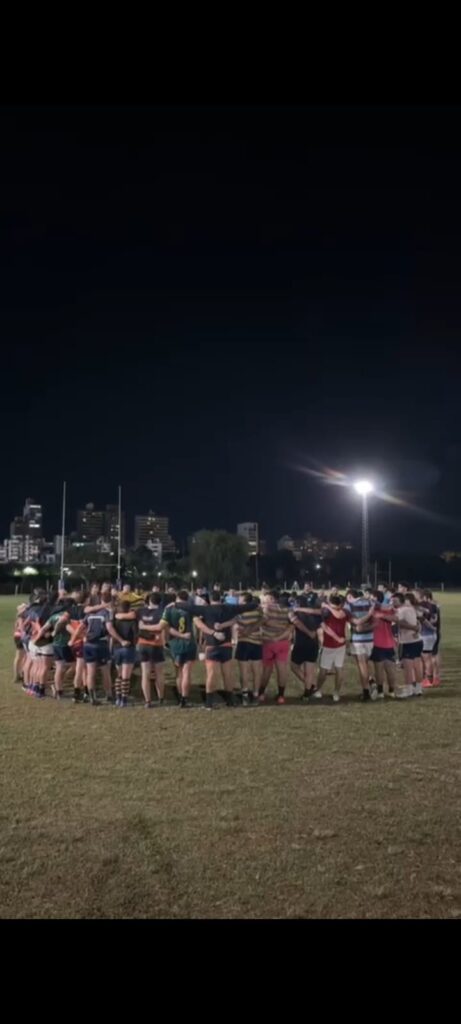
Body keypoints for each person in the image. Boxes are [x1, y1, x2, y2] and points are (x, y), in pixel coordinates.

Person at [193, 590, 237, 709]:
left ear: (210, 599)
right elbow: (235, 620)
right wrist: (223, 626)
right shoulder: (227, 608)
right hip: (226, 644)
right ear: (221, 599)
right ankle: (230, 701)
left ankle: (209, 703)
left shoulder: (206, 610)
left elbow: (198, 623)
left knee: (211, 674)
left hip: (212, 645)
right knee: (227, 674)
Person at [73, 595, 114, 705]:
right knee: (105, 671)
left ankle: (92, 697)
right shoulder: (107, 612)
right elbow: (109, 628)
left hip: (88, 645)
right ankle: (109, 695)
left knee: (90, 673)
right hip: (101, 644)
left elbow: (80, 627)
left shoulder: (89, 614)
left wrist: (74, 639)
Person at [161, 590, 197, 707]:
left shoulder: (169, 609)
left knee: (178, 672)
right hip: (189, 643)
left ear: (176, 598)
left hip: (175, 644)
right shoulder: (190, 609)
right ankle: (184, 699)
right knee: (186, 672)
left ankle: (180, 695)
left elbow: (167, 628)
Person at [259, 590, 293, 705]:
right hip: (283, 642)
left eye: (266, 599)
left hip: (269, 642)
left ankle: (261, 693)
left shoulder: (267, 609)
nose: (264, 601)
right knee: (282, 669)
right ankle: (281, 696)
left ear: (273, 599)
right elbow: (291, 626)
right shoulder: (286, 610)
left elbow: (261, 621)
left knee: (267, 669)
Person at [314, 595, 349, 702]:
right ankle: (332, 692)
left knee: (328, 670)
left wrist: (327, 606)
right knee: (333, 669)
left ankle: (321, 690)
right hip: (336, 645)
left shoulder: (329, 611)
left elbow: (334, 617)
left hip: (333, 645)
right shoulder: (342, 611)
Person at [344, 589, 377, 702]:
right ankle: (372, 680)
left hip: (358, 639)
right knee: (367, 663)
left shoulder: (349, 605)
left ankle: (366, 691)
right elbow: (376, 622)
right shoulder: (370, 603)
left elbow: (356, 623)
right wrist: (368, 621)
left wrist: (360, 626)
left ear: (349, 596)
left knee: (361, 666)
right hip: (370, 638)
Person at [136, 592, 166, 707]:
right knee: (159, 673)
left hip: (143, 645)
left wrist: (144, 627)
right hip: (156, 645)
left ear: (149, 601)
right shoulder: (162, 612)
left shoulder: (140, 611)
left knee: (145, 673)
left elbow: (139, 625)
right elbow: (161, 627)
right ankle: (161, 697)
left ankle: (147, 701)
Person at [366, 589, 397, 698]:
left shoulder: (372, 611)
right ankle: (392, 691)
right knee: (390, 668)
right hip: (389, 643)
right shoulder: (388, 609)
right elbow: (395, 618)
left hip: (378, 643)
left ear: (374, 598)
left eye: (371, 597)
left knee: (379, 668)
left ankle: (380, 692)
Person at [289, 593, 321, 699]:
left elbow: (296, 624)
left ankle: (311, 686)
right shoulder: (314, 614)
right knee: (310, 669)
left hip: (301, 644)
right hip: (313, 644)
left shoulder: (296, 613)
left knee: (294, 665)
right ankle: (308, 692)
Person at [393, 592, 423, 698]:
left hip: (408, 641)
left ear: (401, 601)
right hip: (418, 640)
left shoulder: (401, 610)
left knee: (408, 667)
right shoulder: (411, 608)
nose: (393, 602)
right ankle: (418, 689)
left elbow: (398, 622)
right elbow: (418, 621)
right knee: (417, 665)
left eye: (395, 601)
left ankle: (409, 689)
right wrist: (415, 628)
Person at [108, 601, 138, 707]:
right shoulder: (132, 621)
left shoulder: (115, 620)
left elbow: (111, 636)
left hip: (117, 649)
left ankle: (118, 698)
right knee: (126, 677)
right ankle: (124, 700)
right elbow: (136, 635)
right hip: (128, 648)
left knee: (119, 675)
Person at [12, 602, 28, 683]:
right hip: (20, 637)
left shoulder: (19, 617)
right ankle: (17, 675)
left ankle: (20, 674)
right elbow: (22, 628)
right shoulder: (21, 617)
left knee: (22, 657)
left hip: (17, 636)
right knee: (20, 657)